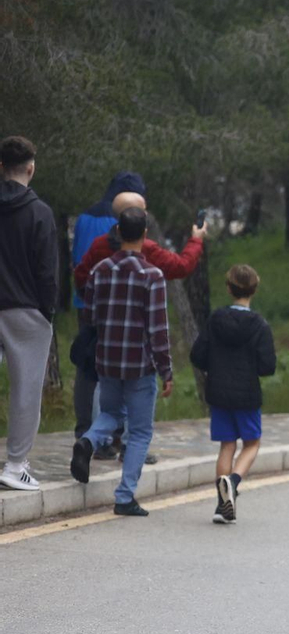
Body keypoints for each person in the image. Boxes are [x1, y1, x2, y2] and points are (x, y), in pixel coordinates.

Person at [73, 188, 204, 465]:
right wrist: (196, 240)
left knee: (104, 391)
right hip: (138, 341)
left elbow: (81, 275)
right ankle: (131, 450)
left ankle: (99, 441)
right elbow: (181, 266)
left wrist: (96, 306)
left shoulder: (98, 247)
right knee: (139, 396)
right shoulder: (149, 252)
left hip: (105, 335)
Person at [70, 208, 174, 515]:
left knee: (112, 412)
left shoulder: (100, 270)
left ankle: (88, 442)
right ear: (144, 235)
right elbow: (158, 329)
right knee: (140, 431)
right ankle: (125, 496)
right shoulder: (152, 276)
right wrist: (166, 370)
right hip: (139, 365)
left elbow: (89, 316)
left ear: (117, 231)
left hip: (107, 360)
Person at [190, 264, 276, 524]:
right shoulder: (259, 325)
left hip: (218, 392)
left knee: (227, 445)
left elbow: (198, 355)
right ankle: (233, 483)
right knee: (252, 444)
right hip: (247, 394)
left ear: (229, 288)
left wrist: (214, 367)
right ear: (255, 289)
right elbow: (267, 367)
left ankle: (221, 506)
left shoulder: (216, 319)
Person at [0, 136, 59, 492]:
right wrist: (47, 312)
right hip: (27, 311)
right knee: (25, 391)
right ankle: (15, 465)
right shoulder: (40, 213)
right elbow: (47, 271)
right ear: (31, 168)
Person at [69, 172, 145, 444]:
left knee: (87, 368)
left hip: (84, 302)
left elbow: (79, 261)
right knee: (113, 372)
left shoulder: (85, 217)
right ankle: (111, 437)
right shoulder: (119, 221)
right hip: (114, 304)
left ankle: (83, 429)